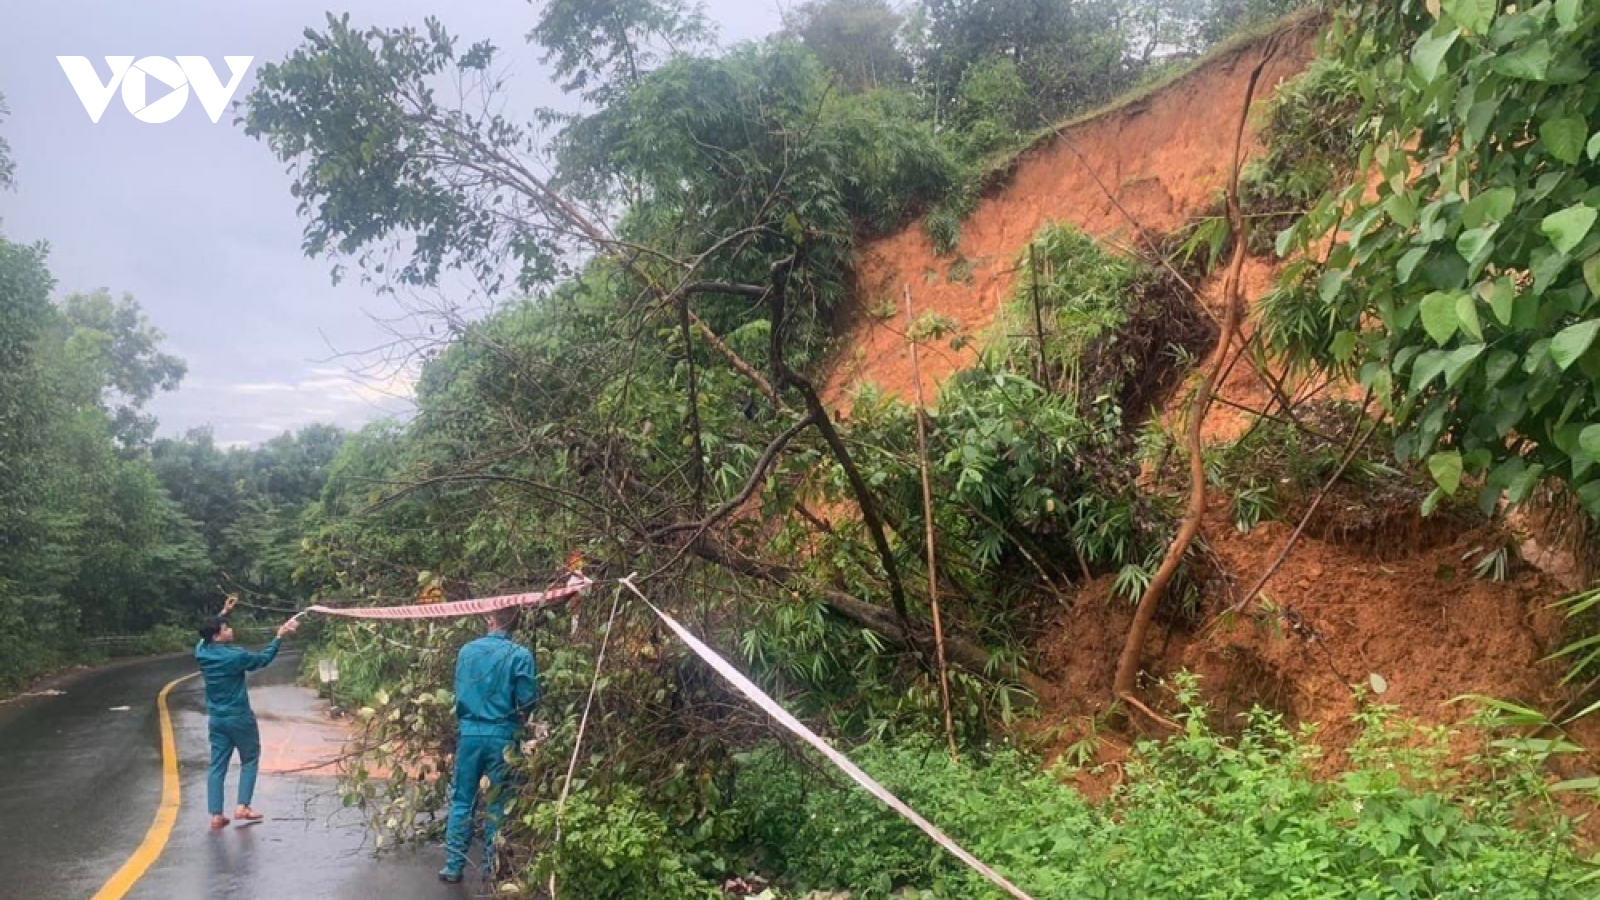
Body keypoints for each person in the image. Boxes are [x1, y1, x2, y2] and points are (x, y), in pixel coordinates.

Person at [440, 606, 539, 884]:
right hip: (503, 736)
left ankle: (453, 864)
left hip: (470, 734)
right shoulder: (520, 655)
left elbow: (459, 691)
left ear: (490, 619)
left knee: (462, 799)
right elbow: (528, 699)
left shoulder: (466, 652)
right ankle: (490, 867)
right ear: (515, 624)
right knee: (498, 801)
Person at [195, 595, 299, 830]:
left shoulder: (202, 651)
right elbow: (262, 659)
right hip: (239, 716)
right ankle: (243, 806)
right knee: (250, 759)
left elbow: (205, 635)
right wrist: (279, 636)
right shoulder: (236, 656)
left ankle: (216, 815)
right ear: (217, 635)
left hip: (216, 718)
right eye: (226, 628)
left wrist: (224, 611)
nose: (230, 629)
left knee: (217, 765)